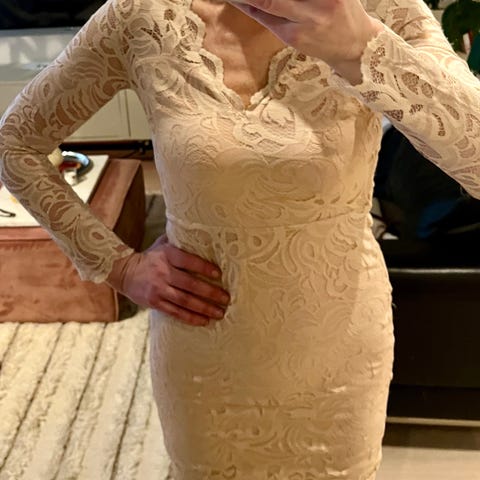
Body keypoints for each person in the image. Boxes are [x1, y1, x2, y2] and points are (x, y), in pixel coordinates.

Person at [1, 0, 479, 478]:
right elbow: (15, 144)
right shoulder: (139, 15)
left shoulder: (379, 6)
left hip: (338, 350)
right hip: (206, 355)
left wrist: (360, 48)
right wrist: (120, 266)